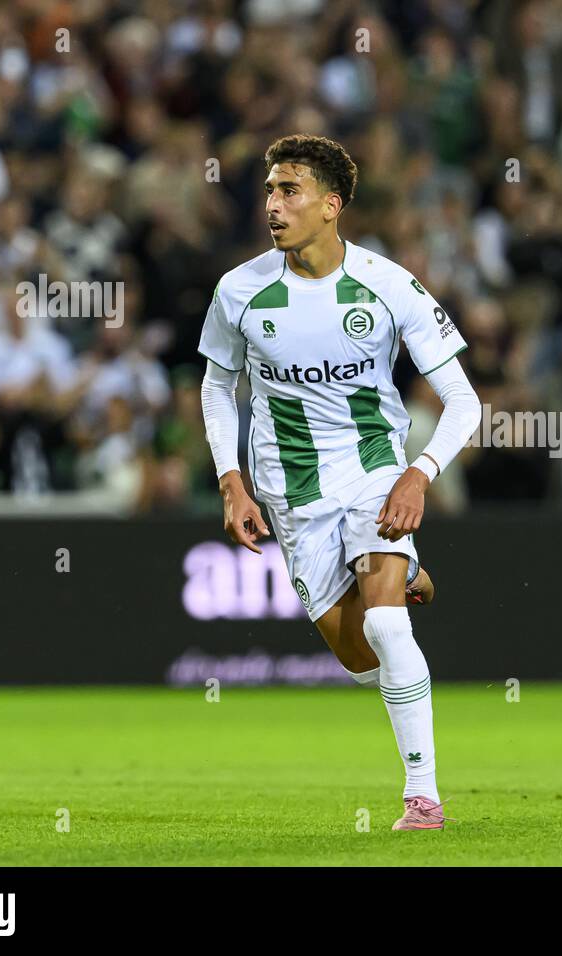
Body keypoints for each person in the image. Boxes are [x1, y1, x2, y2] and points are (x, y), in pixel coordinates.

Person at [198, 135, 480, 829]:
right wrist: (231, 481)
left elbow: (466, 403)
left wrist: (419, 473)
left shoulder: (388, 286)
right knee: (363, 662)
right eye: (269, 190)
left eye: (288, 190)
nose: (273, 204)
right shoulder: (239, 291)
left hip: (374, 478)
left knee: (386, 620)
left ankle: (424, 798)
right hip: (293, 497)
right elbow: (215, 386)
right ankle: (407, 577)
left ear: (331, 205)